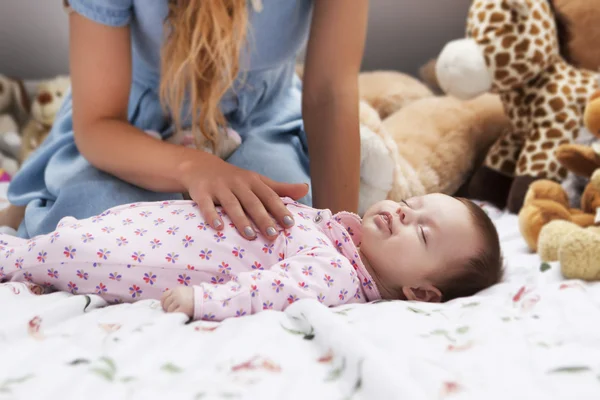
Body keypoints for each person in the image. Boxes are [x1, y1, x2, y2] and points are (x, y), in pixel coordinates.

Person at [3, 0, 367, 240]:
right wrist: (194, 168)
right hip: (128, 125)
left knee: (283, 226)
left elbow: (329, 95)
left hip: (261, 120)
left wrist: (340, 239)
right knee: (91, 224)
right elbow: (99, 122)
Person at [0, 194, 503, 322]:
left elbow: (274, 290)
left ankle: (18, 257)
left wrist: (206, 301)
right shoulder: (342, 235)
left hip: (168, 260)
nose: (400, 213)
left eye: (421, 233)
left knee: (80, 251)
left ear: (421, 292)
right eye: (411, 203)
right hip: (173, 224)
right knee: (92, 229)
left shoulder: (336, 272)